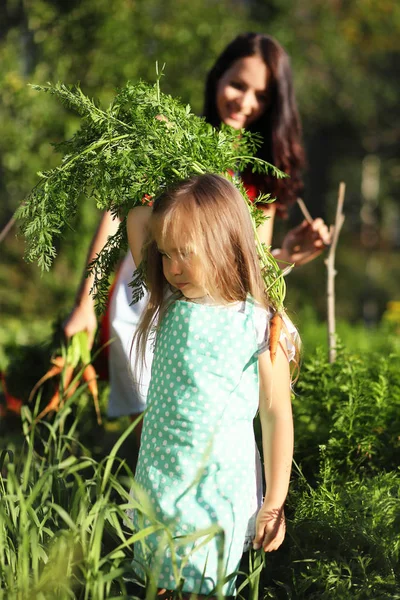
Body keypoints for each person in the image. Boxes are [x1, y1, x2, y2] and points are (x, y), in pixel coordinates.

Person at [63, 32, 329, 424]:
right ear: (218, 77)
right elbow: (117, 215)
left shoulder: (262, 176)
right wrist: (85, 304)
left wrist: (286, 255)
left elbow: (247, 264)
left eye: (262, 95)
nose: (246, 102)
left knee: (194, 421)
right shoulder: (174, 138)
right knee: (148, 425)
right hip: (148, 292)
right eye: (238, 85)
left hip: (210, 312)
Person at [126, 173, 296, 596]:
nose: (172, 267)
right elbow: (137, 218)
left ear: (225, 241)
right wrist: (183, 179)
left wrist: (274, 502)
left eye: (184, 252)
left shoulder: (257, 325)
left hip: (217, 498)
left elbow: (276, 418)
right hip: (160, 487)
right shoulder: (168, 304)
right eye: (165, 254)